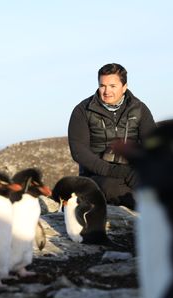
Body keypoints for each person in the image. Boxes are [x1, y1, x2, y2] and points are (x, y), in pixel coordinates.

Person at [68, 63, 156, 209]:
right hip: (98, 174)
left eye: (112, 86)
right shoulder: (82, 110)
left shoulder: (139, 109)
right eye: (102, 85)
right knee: (111, 187)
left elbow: (153, 144)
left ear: (124, 86)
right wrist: (115, 171)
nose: (107, 91)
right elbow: (79, 152)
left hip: (132, 170)